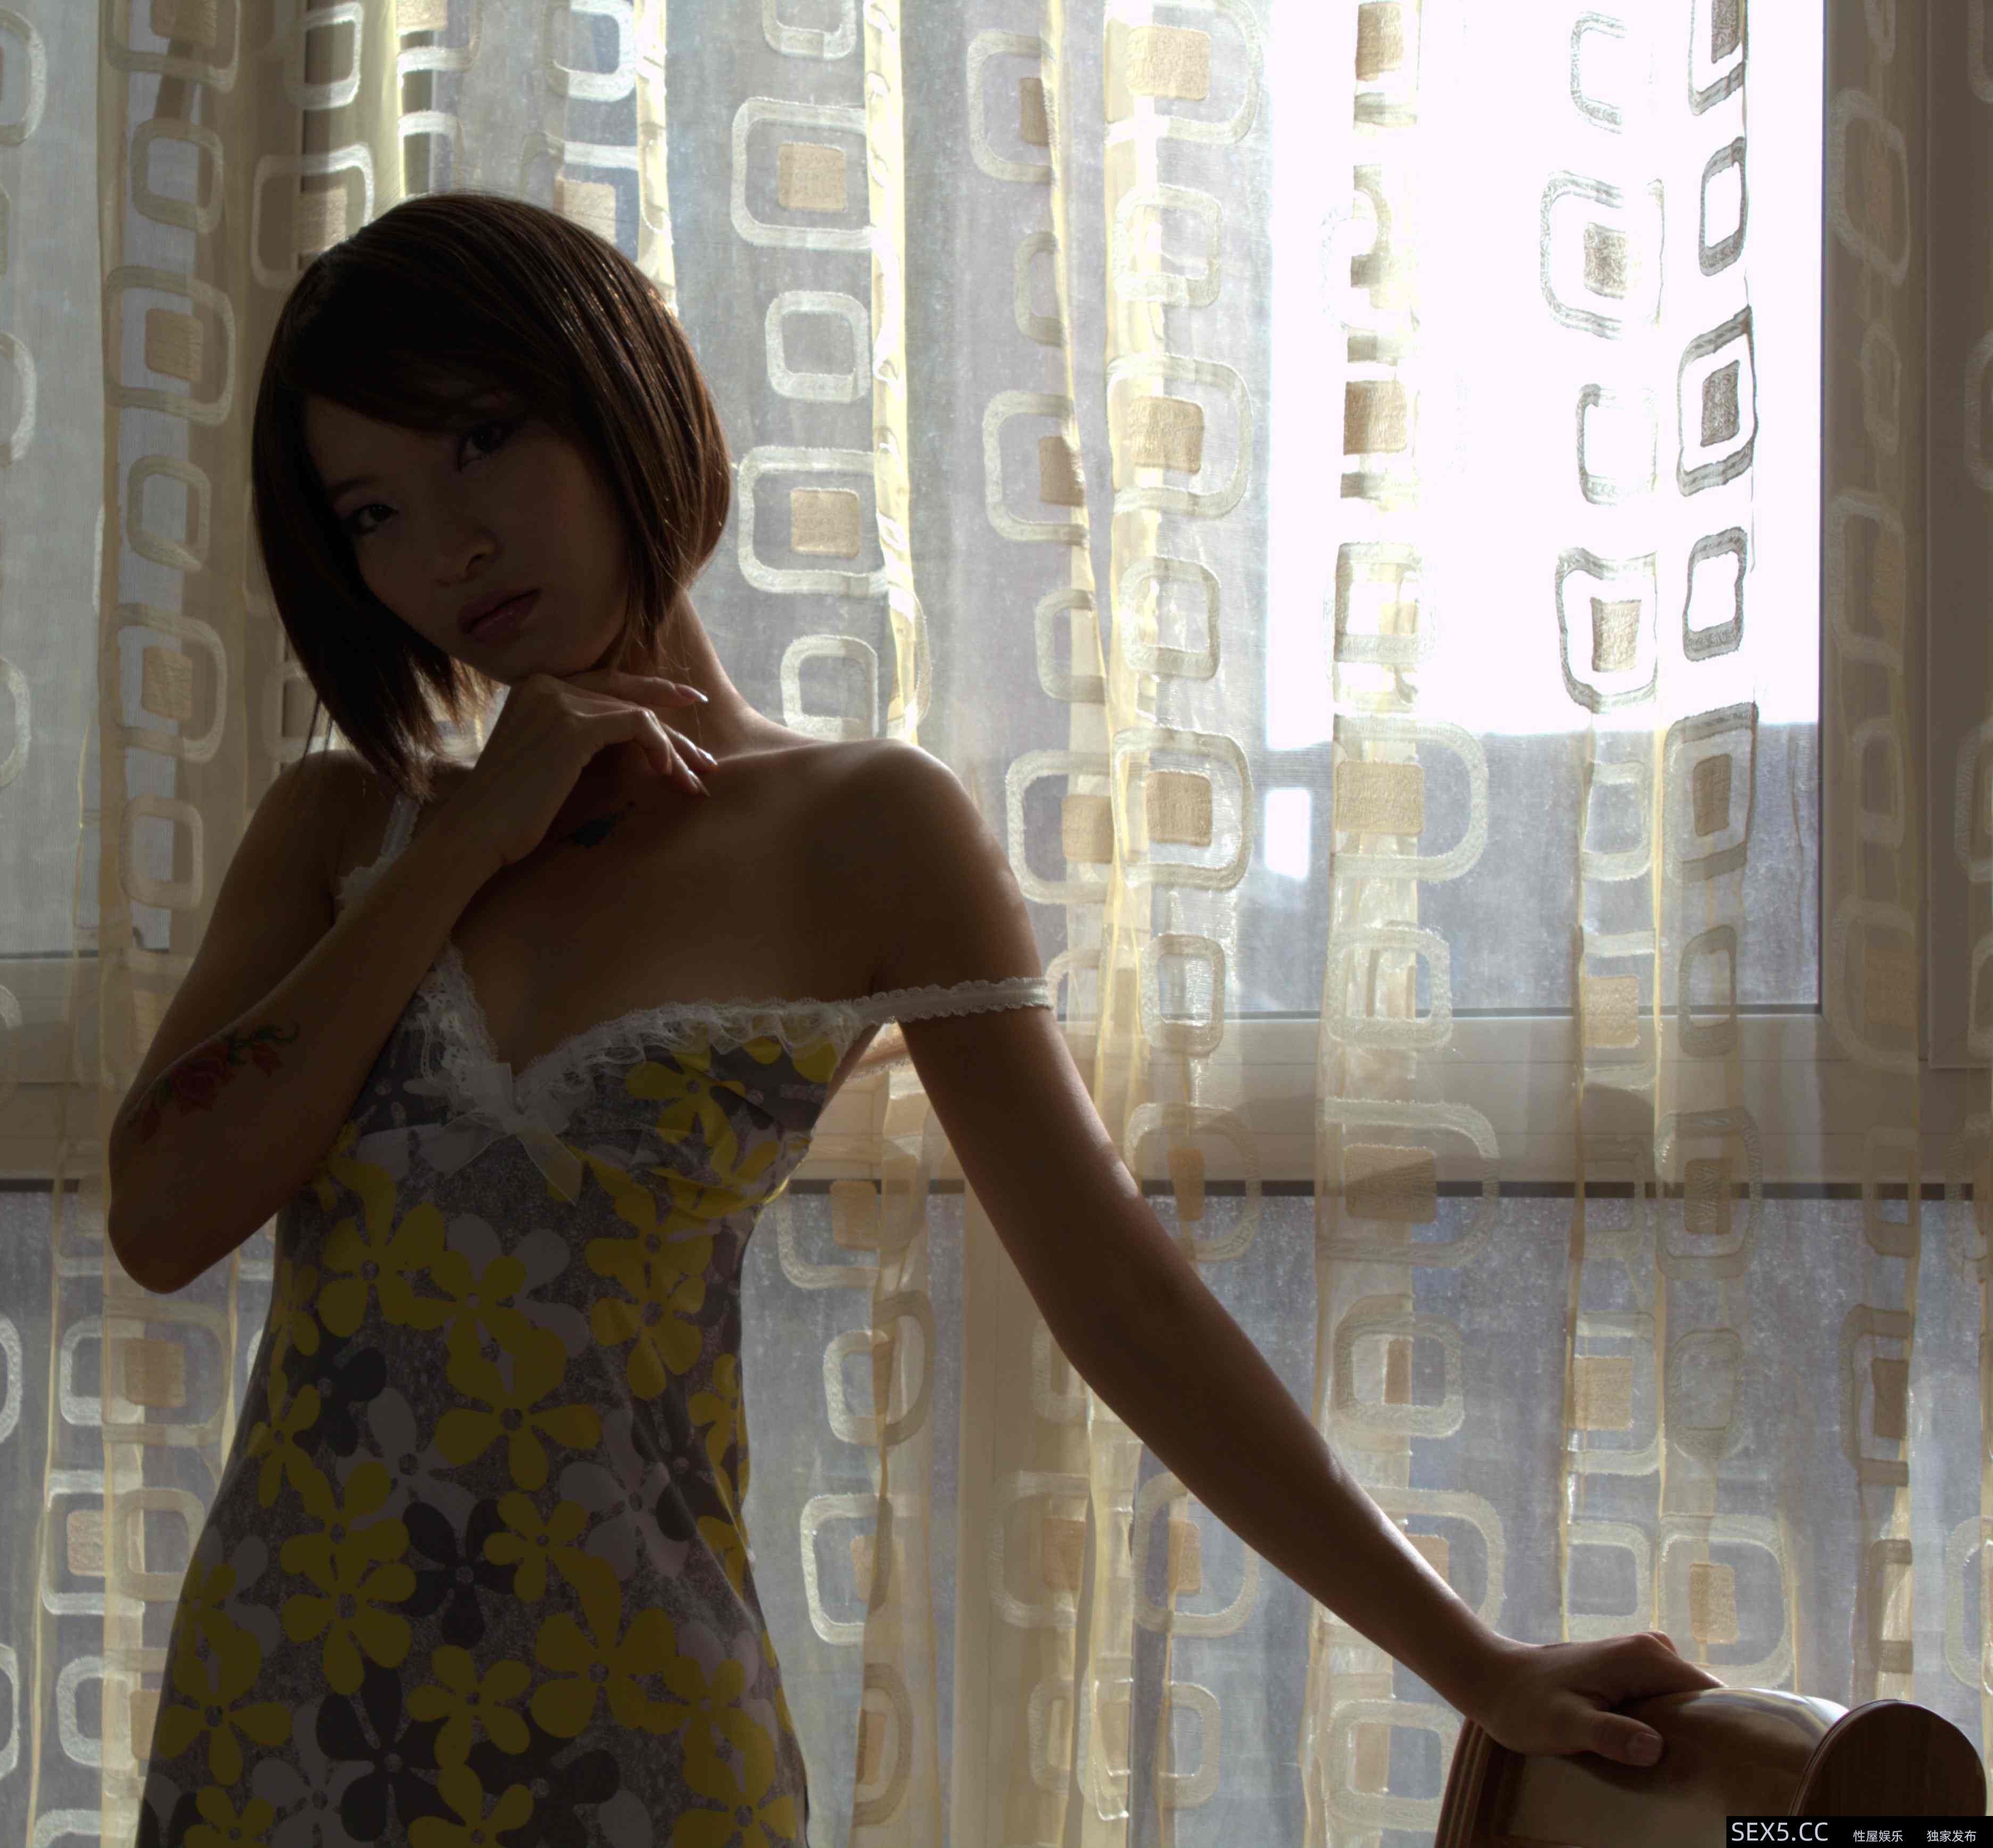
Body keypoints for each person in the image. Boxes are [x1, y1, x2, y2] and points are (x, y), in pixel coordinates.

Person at [107, 192, 1718, 1848]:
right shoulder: (339, 831)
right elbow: (161, 1216)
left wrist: (1472, 1662)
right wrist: (460, 845)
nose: (447, 546)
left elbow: (1119, 1295)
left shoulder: (862, 826)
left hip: (633, 1732)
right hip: (279, 1723)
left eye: (481, 439)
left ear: (615, 392)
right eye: (373, 512)